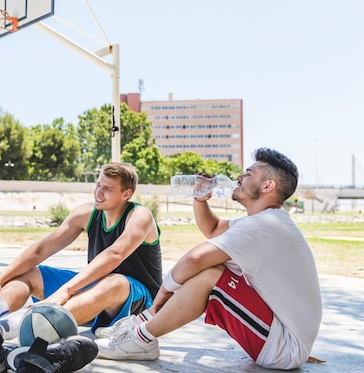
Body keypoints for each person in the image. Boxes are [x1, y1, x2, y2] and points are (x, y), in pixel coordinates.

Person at [96, 148, 322, 370]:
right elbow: (213, 228)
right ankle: (142, 324)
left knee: (210, 273)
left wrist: (162, 293)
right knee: (211, 269)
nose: (239, 177)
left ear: (267, 186)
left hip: (283, 348)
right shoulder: (266, 222)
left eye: (248, 173)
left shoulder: (263, 226)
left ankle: (141, 338)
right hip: (278, 336)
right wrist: (200, 199)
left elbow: (195, 259)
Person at [0, 162, 163, 341]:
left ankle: (11, 328)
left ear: (126, 194)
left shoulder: (139, 216)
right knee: (30, 272)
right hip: (94, 295)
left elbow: (115, 255)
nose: (98, 192)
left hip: (138, 302)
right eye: (98, 185)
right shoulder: (87, 213)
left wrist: (66, 290)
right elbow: (42, 249)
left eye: (108, 189)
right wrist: (2, 277)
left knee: (116, 281)